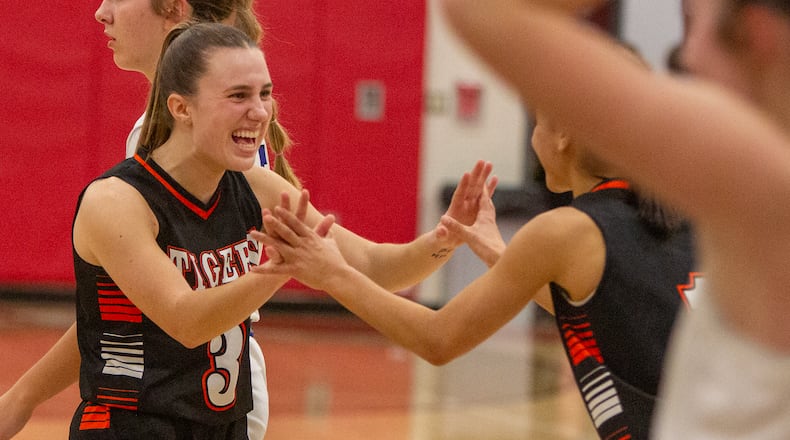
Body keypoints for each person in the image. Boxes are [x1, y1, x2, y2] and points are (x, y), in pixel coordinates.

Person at [41, 21, 483, 439]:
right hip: (132, 425)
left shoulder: (257, 187)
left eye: (265, 94)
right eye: (238, 96)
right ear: (181, 107)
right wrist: (275, 270)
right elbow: (186, 320)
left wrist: (444, 240)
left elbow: (371, 266)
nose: (260, 112)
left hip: (224, 427)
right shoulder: (116, 201)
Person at [435, 0, 790, 438]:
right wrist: (499, 254)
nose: (686, 55)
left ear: (756, 32)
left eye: (697, 25)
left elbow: (479, 11)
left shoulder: (754, 173)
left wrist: (336, 274)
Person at [251, 92, 699, 437]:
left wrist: (331, 273)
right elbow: (612, 308)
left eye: (538, 122)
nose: (533, 136)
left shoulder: (566, 230)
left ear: (563, 135)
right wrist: (496, 254)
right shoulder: (682, 214)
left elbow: (439, 338)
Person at [0, 2, 287, 439]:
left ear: (173, 7)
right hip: (213, 383)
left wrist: (21, 399)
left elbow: (151, 314)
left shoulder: (180, 142)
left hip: (186, 397)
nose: (101, 13)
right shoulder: (211, 127)